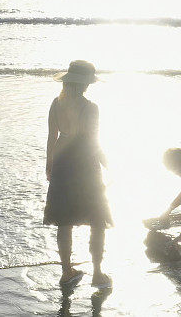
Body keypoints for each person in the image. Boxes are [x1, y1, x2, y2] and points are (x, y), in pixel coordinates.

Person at [43, 60, 113, 288]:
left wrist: (49, 164)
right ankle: (97, 273)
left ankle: (66, 271)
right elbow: (92, 141)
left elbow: (52, 137)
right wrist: (108, 164)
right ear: (85, 84)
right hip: (84, 164)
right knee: (97, 219)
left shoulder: (56, 103)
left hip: (62, 161)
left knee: (64, 220)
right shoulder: (90, 107)